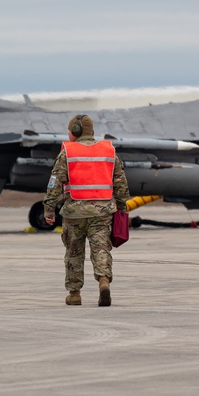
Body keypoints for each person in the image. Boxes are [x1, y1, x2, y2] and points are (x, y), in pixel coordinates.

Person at [43, 114, 130, 306]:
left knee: (74, 251)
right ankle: (104, 282)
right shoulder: (108, 151)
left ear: (76, 131)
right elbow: (121, 182)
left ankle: (74, 294)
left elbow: (55, 182)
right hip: (103, 212)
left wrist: (49, 209)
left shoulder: (68, 151)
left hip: (75, 212)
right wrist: (123, 207)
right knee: (101, 249)